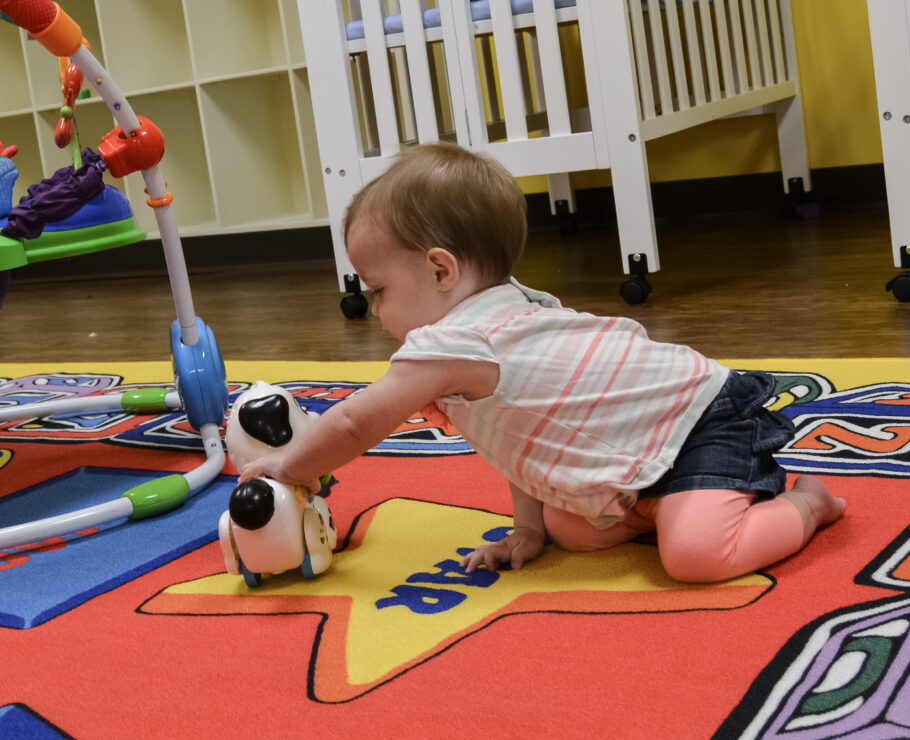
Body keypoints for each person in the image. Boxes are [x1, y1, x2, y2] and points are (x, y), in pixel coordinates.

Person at [238, 142, 846, 583]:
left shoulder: (457, 341)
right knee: (569, 530)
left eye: (378, 291)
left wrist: (293, 465)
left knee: (696, 556)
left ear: (441, 270)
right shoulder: (501, 314)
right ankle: (656, 505)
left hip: (702, 424)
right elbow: (521, 435)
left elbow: (353, 423)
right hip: (635, 451)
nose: (374, 310)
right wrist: (527, 529)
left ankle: (806, 504)